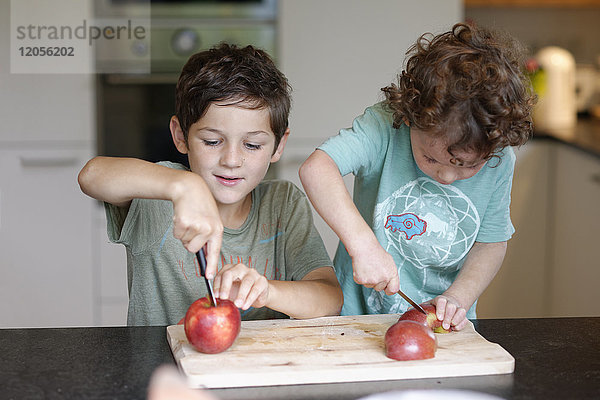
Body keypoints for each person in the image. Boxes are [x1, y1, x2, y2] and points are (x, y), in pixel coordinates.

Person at [78, 43, 343, 325]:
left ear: (278, 146)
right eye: (212, 141)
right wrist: (182, 186)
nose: (231, 160)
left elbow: (329, 298)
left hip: (256, 366)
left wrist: (268, 291)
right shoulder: (158, 198)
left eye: (252, 145)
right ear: (180, 136)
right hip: (161, 367)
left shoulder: (283, 203)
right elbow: (91, 175)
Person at [299, 23, 535, 331]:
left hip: (443, 326)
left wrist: (458, 297)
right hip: (356, 319)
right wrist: (364, 245)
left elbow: (489, 244)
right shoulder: (386, 126)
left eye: (467, 165)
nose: (447, 175)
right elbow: (317, 168)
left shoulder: (500, 158)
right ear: (410, 117)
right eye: (431, 158)